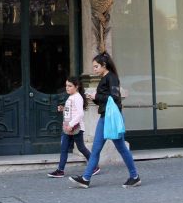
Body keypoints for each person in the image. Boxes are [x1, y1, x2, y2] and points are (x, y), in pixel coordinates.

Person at [69, 52, 141, 189]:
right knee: (96, 149)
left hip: (111, 118)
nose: (94, 69)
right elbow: (105, 99)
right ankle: (85, 178)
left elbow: (114, 97)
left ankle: (134, 176)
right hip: (105, 117)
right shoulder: (105, 78)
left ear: (104, 65)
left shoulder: (112, 78)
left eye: (96, 66)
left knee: (121, 148)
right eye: (93, 67)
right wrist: (94, 97)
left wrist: (96, 96)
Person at [47, 75, 100, 178]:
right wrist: (63, 109)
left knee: (81, 148)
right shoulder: (71, 97)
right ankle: (60, 170)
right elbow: (72, 111)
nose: (67, 88)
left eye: (70, 86)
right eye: (66, 85)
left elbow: (80, 114)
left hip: (76, 128)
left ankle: (94, 166)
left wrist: (71, 125)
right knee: (64, 148)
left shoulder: (77, 97)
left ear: (76, 86)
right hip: (68, 128)